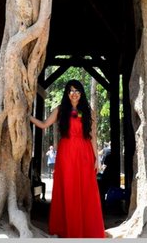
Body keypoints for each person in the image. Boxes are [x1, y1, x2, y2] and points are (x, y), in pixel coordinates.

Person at [29, 79, 105, 238]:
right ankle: (67, 227)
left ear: (81, 93)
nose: (74, 94)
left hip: (84, 153)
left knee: (86, 189)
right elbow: (43, 125)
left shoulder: (88, 111)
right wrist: (27, 116)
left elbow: (93, 137)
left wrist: (96, 159)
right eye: (71, 91)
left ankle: (87, 228)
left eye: (77, 91)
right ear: (67, 93)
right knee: (68, 187)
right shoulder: (60, 110)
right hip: (66, 154)